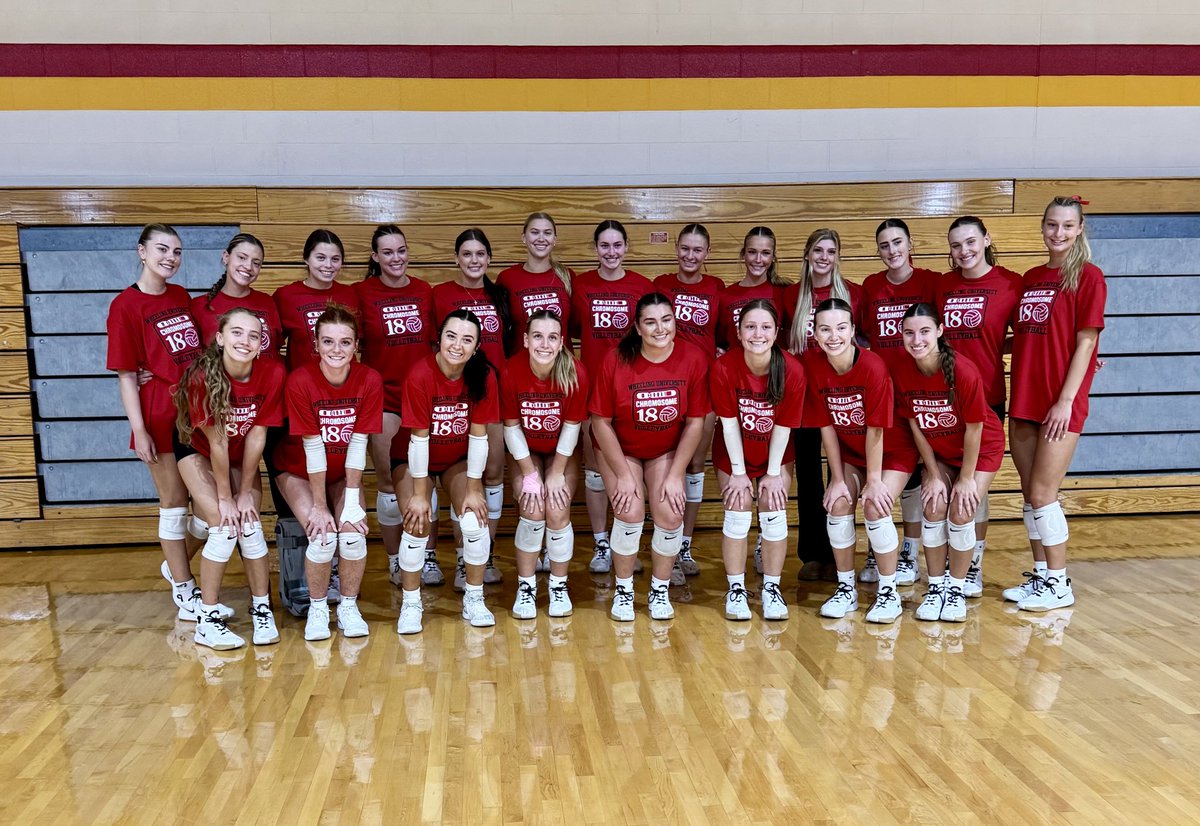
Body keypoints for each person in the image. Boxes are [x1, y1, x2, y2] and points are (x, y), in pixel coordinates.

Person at [1006, 197, 1107, 611]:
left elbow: (1087, 340)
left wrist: (1065, 401)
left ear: (1080, 228)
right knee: (1031, 494)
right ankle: (1042, 577)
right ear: (1042, 227)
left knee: (1046, 492)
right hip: (1025, 396)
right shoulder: (1030, 277)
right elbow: (1028, 335)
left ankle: (1060, 582)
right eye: (1051, 225)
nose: (1058, 233)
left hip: (1060, 401)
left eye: (1067, 226)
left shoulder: (1088, 276)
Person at [106, 223, 210, 619]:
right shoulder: (125, 306)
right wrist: (139, 429)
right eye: (163, 249)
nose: (171, 258)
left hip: (196, 414)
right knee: (173, 503)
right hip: (157, 415)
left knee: (209, 505)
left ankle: (176, 564)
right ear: (142, 252)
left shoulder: (181, 296)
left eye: (178, 251)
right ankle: (185, 590)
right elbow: (127, 375)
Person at [589, 293, 709, 621]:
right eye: (651, 322)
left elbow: (696, 422)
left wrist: (675, 475)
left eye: (666, 320)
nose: (660, 328)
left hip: (665, 449)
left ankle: (659, 589)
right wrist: (624, 475)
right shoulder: (616, 359)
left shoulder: (693, 358)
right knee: (628, 511)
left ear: (675, 321)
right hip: (620, 448)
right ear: (638, 328)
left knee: (671, 513)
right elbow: (600, 421)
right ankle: (624, 590)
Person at [173, 308, 286, 648]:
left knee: (250, 524)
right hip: (198, 450)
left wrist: (247, 492)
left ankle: (261, 609)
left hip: (241, 452)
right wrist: (226, 497)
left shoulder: (273, 371)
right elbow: (216, 440)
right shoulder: (201, 376)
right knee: (223, 526)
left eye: (254, 335)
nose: (245, 341)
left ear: (261, 343)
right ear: (220, 338)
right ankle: (207, 619)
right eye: (237, 333)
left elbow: (257, 437)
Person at [271, 305, 383, 641]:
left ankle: (348, 606)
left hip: (342, 470)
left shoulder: (369, 379)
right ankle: (318, 610)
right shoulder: (301, 381)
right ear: (315, 346)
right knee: (321, 537)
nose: (337, 350)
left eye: (345, 342)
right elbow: (312, 447)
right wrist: (319, 506)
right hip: (298, 469)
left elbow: (358, 442)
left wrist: (350, 499)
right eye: (329, 342)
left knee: (351, 533)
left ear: (356, 346)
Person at [806, 299, 917, 624]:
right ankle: (846, 589)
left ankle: (888, 593)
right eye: (825, 329)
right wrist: (838, 478)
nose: (833, 335)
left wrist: (873, 481)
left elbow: (876, 432)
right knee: (838, 503)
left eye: (841, 328)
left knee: (874, 507)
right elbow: (826, 427)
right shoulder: (815, 366)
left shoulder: (872, 367)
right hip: (851, 453)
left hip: (892, 452)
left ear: (853, 330)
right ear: (815, 333)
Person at [894, 303, 1005, 622]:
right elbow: (915, 424)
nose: (917, 340)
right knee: (933, 505)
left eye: (925, 331)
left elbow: (975, 428)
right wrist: (932, 471)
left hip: (980, 448)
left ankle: (956, 588)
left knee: (961, 508)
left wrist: (966, 478)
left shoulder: (962, 370)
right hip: (939, 449)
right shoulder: (903, 370)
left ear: (940, 331)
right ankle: (936, 587)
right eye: (909, 333)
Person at [394, 310, 501, 634]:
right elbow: (418, 440)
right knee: (416, 523)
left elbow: (479, 437)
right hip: (413, 458)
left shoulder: (483, 376)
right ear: (439, 338)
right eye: (451, 336)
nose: (457, 345)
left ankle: (474, 597)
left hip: (458, 457)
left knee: (473, 519)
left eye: (467, 339)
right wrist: (418, 494)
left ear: (477, 346)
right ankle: (411, 602)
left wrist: (472, 489)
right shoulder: (420, 374)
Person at [933, 216, 1024, 596]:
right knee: (943, 486)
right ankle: (945, 569)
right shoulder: (942, 286)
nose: (964, 251)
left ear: (986, 239)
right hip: (941, 399)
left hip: (986, 397)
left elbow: (1033, 336)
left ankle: (973, 565)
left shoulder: (1010, 284)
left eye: (971, 242)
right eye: (956, 246)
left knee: (973, 488)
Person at [352, 225, 442, 587]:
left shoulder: (424, 291)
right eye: (387, 252)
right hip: (384, 401)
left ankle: (429, 555)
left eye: (401, 250)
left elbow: (437, 348)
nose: (395, 258)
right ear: (375, 257)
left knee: (426, 480)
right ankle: (394, 558)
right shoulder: (361, 293)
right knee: (389, 481)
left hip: (422, 399)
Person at [710, 299, 805, 621]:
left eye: (765, 327)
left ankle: (771, 588)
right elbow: (729, 424)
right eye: (750, 327)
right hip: (733, 449)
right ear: (738, 332)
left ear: (777, 332)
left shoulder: (792, 369)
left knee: (774, 508)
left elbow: (783, 427)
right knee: (737, 510)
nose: (758, 334)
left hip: (775, 452)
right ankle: (736, 589)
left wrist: (774, 472)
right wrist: (738, 473)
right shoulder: (724, 368)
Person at [569, 219, 654, 575]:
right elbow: (574, 329)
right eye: (604, 246)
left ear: (627, 248)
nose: (611, 252)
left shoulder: (641, 286)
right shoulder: (581, 286)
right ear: (595, 249)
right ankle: (603, 543)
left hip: (634, 390)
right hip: (592, 389)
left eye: (617, 245)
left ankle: (627, 540)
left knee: (627, 471)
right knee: (594, 469)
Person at [861, 219, 941, 586]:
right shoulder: (871, 287)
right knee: (896, 475)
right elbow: (860, 337)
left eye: (897, 243)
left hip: (922, 391)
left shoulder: (931, 282)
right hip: (883, 394)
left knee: (921, 474)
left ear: (911, 244)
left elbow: (944, 334)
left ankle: (910, 548)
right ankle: (883, 550)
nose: (891, 251)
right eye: (884, 245)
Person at [432, 229, 512, 587]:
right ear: (456, 258)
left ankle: (482, 553)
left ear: (489, 259)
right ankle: (462, 556)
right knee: (463, 478)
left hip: (491, 393)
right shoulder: (440, 295)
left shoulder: (501, 295)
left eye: (481, 253)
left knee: (492, 475)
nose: (474, 260)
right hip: (453, 396)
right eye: (467, 253)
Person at [784, 229, 864, 582]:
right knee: (809, 477)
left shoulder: (854, 294)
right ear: (807, 253)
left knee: (841, 476)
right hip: (802, 399)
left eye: (831, 251)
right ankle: (813, 554)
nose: (824, 257)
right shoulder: (790, 296)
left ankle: (840, 551)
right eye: (818, 249)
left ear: (838, 256)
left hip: (841, 398)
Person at [500, 310, 589, 619]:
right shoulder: (510, 371)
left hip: (561, 451)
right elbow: (511, 428)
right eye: (538, 336)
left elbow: (572, 427)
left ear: (562, 342)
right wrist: (529, 474)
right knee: (532, 508)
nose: (545, 344)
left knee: (557, 506)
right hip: (525, 449)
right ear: (525, 340)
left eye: (552, 337)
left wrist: (555, 473)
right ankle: (525, 587)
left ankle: (558, 586)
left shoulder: (575, 371)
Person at [653, 224, 724, 580]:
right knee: (665, 465)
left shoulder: (716, 289)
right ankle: (663, 539)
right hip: (665, 385)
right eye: (685, 248)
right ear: (676, 249)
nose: (690, 255)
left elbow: (728, 337)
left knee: (694, 466)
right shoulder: (661, 286)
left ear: (706, 253)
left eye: (697, 250)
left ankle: (684, 545)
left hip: (703, 388)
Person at [273, 229, 359, 373]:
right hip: (304, 387)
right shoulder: (286, 296)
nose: (328, 265)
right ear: (306, 258)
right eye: (320, 258)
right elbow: (270, 347)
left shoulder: (349, 294)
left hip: (346, 385)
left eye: (335, 259)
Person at [190, 233, 283, 360]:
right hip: (220, 380)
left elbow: (275, 349)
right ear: (226, 257)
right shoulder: (199, 305)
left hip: (267, 379)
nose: (248, 266)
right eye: (242, 257)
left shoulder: (267, 302)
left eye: (256, 263)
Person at [496, 212, 574, 347]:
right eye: (535, 232)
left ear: (554, 239)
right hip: (521, 364)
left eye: (547, 233)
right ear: (524, 238)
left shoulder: (567, 276)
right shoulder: (507, 278)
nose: (541, 238)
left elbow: (576, 327)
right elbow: (501, 329)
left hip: (560, 365)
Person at [715, 226, 788, 353]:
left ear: (773, 257)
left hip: (775, 370)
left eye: (765, 253)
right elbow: (721, 342)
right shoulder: (725, 296)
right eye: (752, 252)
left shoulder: (784, 292)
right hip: (738, 370)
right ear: (743, 254)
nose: (758, 260)